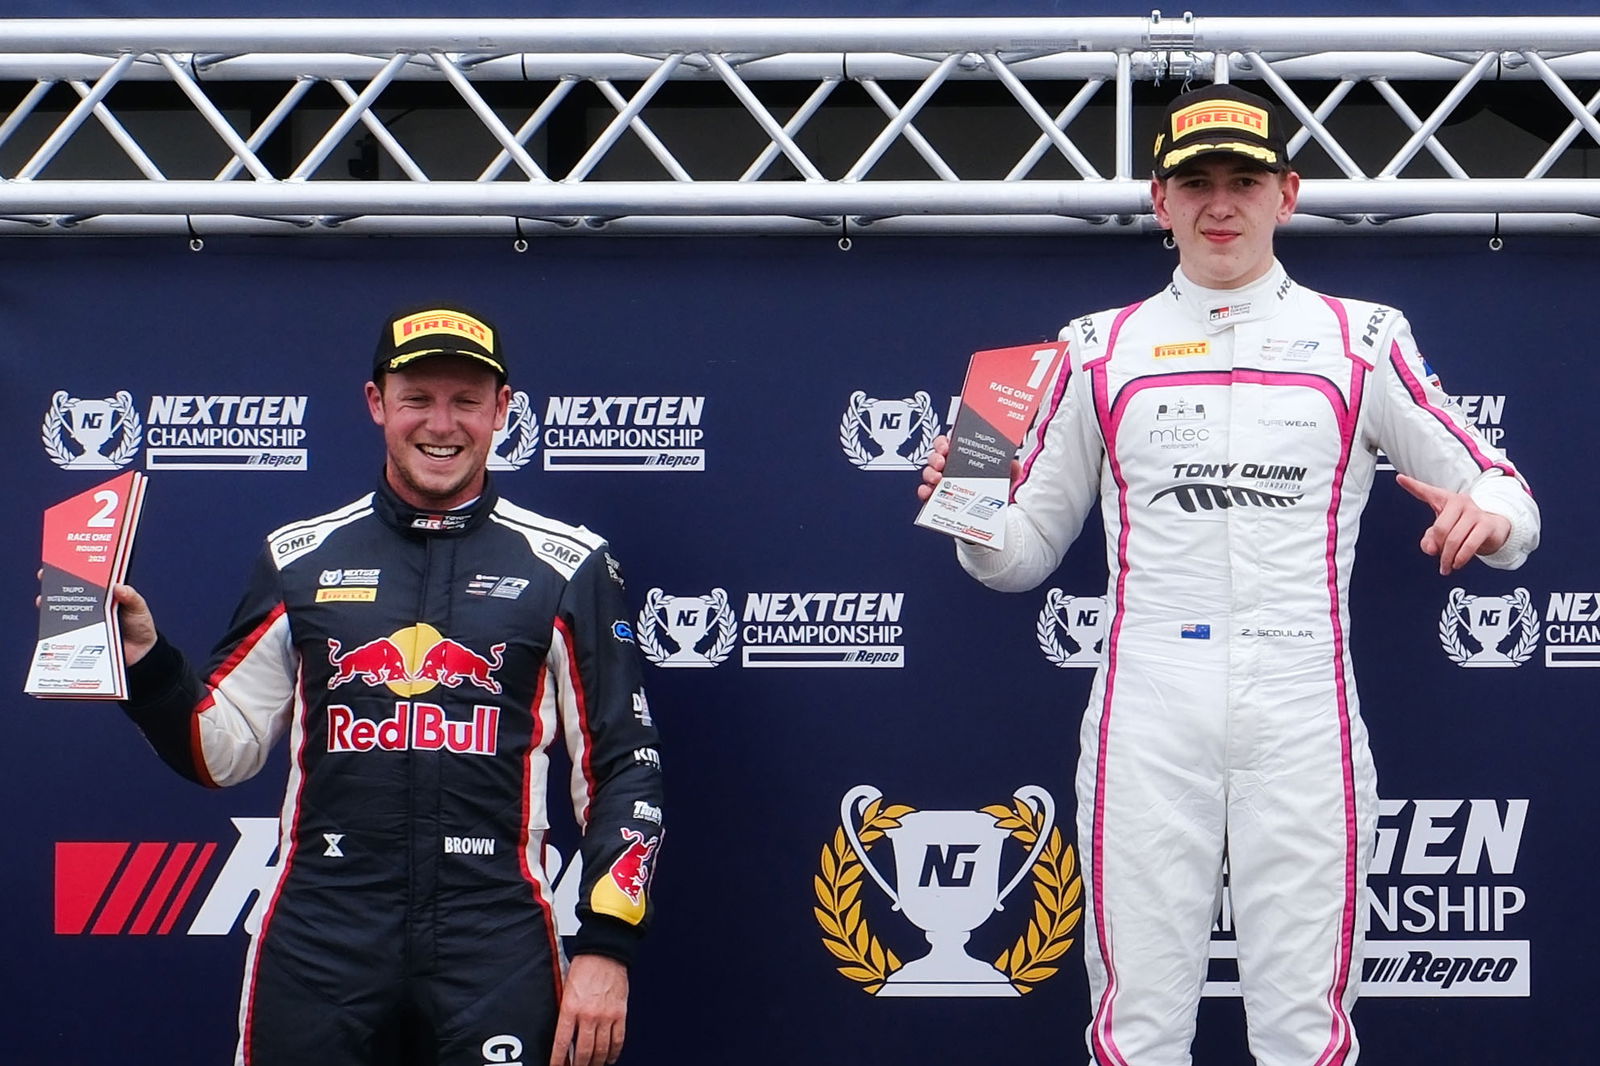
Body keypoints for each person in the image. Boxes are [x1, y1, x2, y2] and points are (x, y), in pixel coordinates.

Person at [918, 85, 1538, 1065]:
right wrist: (972, 512)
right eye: (1192, 182)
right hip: (1146, 700)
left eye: (1242, 181)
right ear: (1156, 202)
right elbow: (1018, 557)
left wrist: (1491, 518)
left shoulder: (1361, 337)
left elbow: (1502, 492)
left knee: (1304, 1029)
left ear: (1286, 193)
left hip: (1301, 700)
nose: (1219, 203)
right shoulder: (1093, 347)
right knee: (1133, 1027)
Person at [110, 305, 663, 1066]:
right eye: (417, 399)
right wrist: (146, 662)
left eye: (467, 400)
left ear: (503, 410)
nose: (442, 423)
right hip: (322, 935)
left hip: (492, 936)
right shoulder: (298, 557)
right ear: (378, 405)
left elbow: (625, 767)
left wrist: (608, 945)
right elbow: (220, 751)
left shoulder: (569, 565)